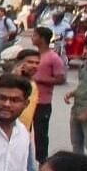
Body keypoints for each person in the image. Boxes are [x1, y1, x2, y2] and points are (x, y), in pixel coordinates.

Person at [32, 25, 66, 162]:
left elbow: (60, 79)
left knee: (40, 134)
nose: (32, 38)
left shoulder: (53, 58)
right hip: (28, 100)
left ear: (42, 38)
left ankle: (42, 161)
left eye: (34, 35)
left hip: (43, 102)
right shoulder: (34, 56)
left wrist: (40, 79)